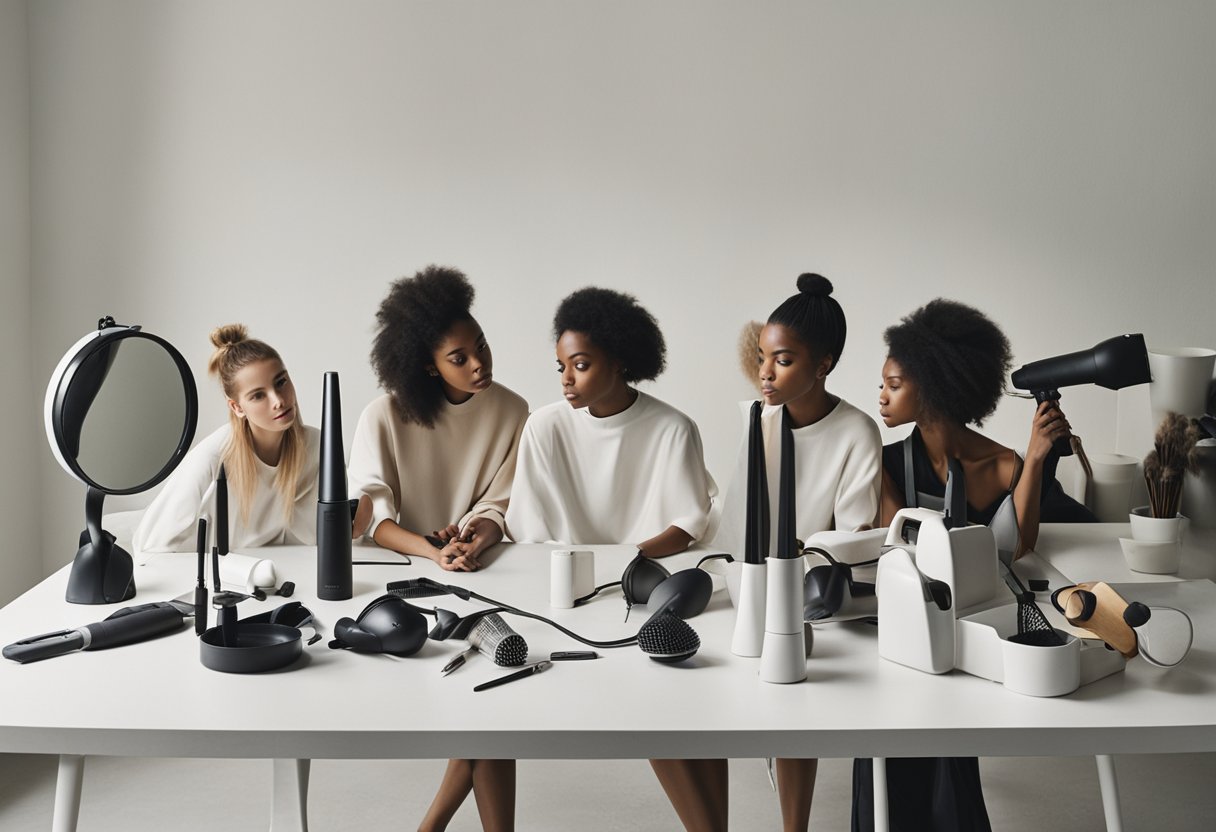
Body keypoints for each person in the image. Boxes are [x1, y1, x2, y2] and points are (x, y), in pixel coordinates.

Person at [854, 297, 1093, 832]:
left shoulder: (1005, 462)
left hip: (981, 626)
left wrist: (1035, 458)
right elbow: (899, 552)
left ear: (935, 387)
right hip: (908, 628)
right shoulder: (888, 462)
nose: (881, 396)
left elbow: (1019, 545)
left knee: (949, 745)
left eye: (893, 384)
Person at [660, 274, 881, 832]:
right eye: (762, 357)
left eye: (782, 360)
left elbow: (850, 539)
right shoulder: (760, 420)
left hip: (815, 603)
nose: (765, 373)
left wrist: (791, 569)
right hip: (748, 588)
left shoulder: (857, 430)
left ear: (823, 364)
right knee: (679, 700)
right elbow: (737, 522)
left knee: (789, 694)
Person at [345, 265, 528, 832]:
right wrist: (432, 552)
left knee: (489, 706)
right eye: (459, 358)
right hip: (401, 586)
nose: (480, 365)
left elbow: (502, 505)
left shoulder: (514, 410)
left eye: (482, 347)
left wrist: (476, 536)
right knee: (486, 713)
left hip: (486, 576)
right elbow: (372, 518)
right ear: (427, 364)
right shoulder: (384, 416)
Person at [504, 286, 716, 555]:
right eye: (562, 366)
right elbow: (527, 529)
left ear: (617, 362)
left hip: (647, 572)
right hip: (559, 573)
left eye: (580, 365)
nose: (565, 378)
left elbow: (689, 525)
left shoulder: (674, 429)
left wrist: (625, 561)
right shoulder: (544, 427)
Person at [134, 324, 370, 554]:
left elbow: (336, 528)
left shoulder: (319, 447)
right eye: (258, 395)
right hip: (228, 579)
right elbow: (148, 544)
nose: (278, 400)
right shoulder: (213, 458)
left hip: (295, 575)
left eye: (281, 382)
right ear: (237, 407)